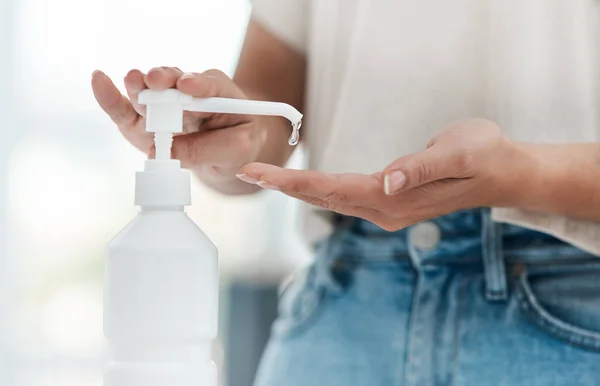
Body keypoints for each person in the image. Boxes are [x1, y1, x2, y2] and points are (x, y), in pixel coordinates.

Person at [91, 1, 600, 384]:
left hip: (569, 309)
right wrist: (225, 139)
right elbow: (268, 122)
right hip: (342, 306)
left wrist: (523, 174)